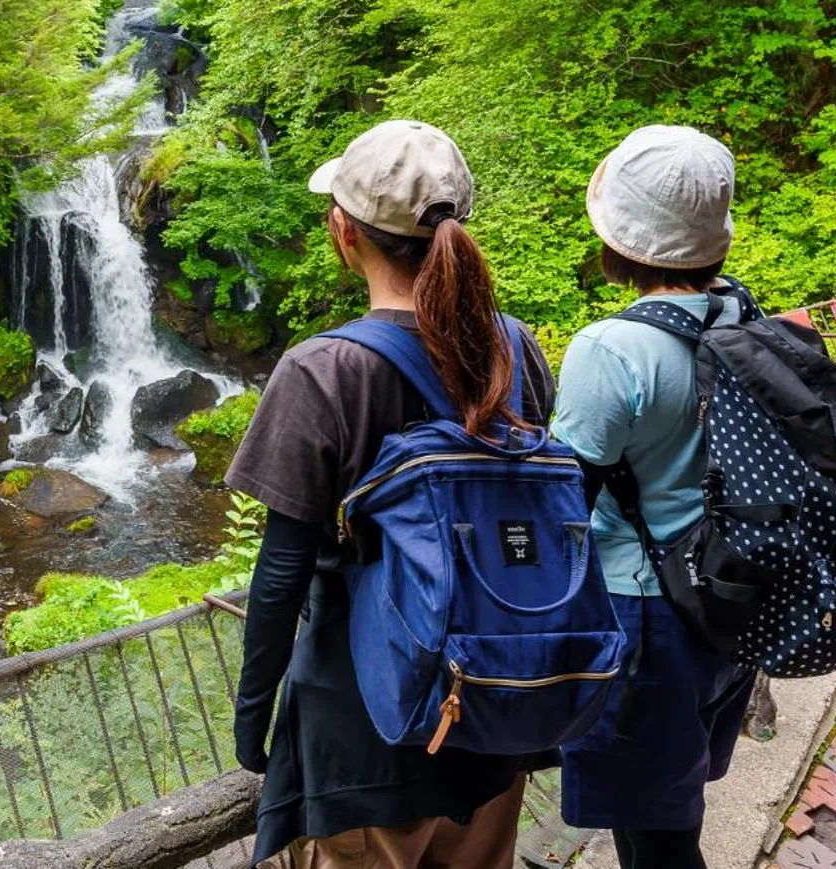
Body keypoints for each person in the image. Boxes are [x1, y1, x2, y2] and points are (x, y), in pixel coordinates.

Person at [226, 120, 556, 869]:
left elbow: (279, 573)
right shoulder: (515, 346)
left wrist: (254, 721)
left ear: (343, 231)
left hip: (362, 728)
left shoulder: (323, 369)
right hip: (489, 705)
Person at [552, 125, 756, 869]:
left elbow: (565, 498)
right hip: (728, 597)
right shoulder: (739, 311)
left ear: (620, 241)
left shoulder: (610, 350)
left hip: (643, 612)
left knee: (652, 837)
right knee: (674, 804)